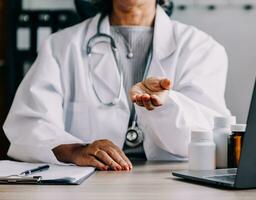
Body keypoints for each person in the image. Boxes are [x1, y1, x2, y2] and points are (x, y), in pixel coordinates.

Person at [3, 0, 231, 171]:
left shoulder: (201, 48)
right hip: (90, 186)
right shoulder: (61, 46)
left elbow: (210, 135)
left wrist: (167, 104)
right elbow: (27, 125)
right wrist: (75, 149)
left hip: (172, 184)